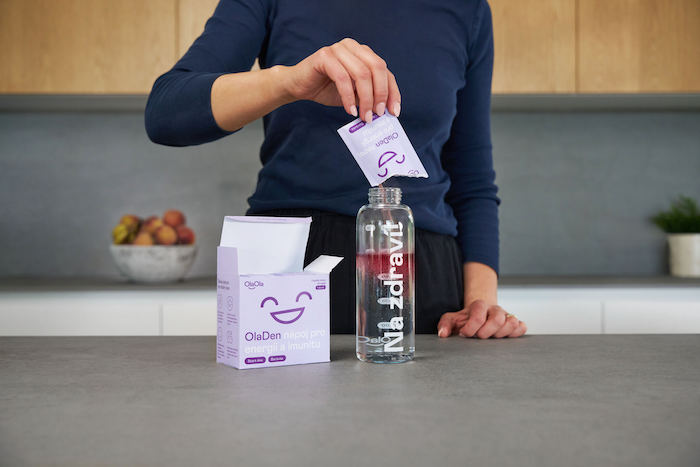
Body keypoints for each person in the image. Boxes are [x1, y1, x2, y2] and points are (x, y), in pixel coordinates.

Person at [145, 0, 527, 339]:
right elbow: (166, 113)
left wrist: (480, 302)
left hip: (420, 273)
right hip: (292, 266)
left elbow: (473, 180)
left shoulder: (467, 9)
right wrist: (289, 81)